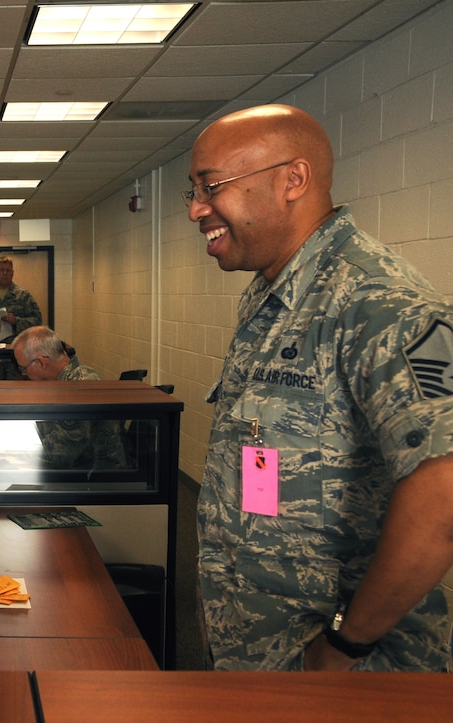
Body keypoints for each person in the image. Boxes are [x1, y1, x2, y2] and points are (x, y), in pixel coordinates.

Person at [187, 104, 453, 672]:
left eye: (211, 186)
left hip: (346, 677)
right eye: (193, 189)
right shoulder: (270, 295)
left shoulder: (377, 301)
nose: (196, 209)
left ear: (294, 180)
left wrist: (344, 643)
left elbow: (446, 491)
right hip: (258, 643)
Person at [11, 326, 127, 469]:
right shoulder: (59, 384)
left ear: (41, 362)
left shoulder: (82, 386)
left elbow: (60, 454)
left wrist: (11, 454)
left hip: (95, 480)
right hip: (74, 474)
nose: (24, 374)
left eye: (23, 368)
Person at [0, 256, 42, 341]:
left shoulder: (23, 296)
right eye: (2, 270)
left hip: (16, 346)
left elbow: (37, 321)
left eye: (8, 270)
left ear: (12, 273)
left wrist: (16, 321)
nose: (5, 273)